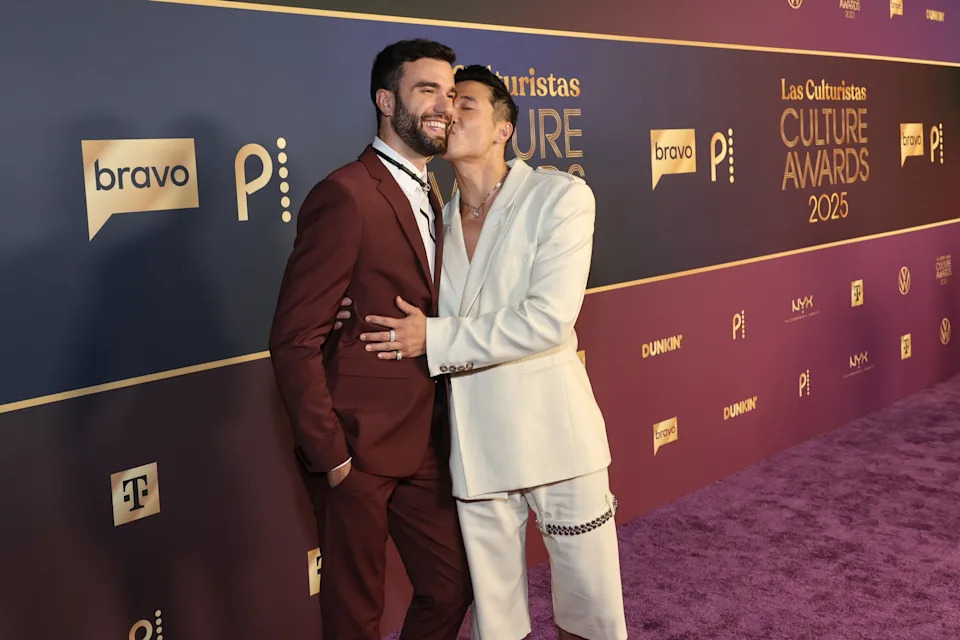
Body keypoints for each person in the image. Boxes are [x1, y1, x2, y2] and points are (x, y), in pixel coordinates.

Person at [359, 65, 627, 640]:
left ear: (504, 128)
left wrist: (435, 338)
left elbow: (548, 319)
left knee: (591, 609)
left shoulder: (559, 196)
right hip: (476, 443)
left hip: (555, 433)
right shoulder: (434, 223)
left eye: (466, 104)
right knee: (496, 623)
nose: (449, 112)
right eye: (445, 102)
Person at [268, 40, 471, 640]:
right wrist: (332, 455)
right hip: (355, 446)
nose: (445, 106)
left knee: (450, 588)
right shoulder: (346, 195)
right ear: (386, 101)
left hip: (424, 437)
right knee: (356, 614)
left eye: (450, 92)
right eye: (427, 90)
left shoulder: (436, 194)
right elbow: (294, 338)